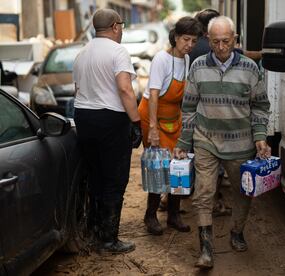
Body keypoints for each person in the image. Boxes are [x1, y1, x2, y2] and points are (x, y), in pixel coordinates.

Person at [174, 16, 271, 269]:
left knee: (242, 193)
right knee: (203, 193)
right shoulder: (197, 66)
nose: (220, 47)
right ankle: (206, 249)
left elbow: (260, 106)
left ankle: (236, 231)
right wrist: (184, 142)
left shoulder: (250, 68)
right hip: (206, 140)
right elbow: (189, 107)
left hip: (241, 144)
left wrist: (260, 137)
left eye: (226, 41)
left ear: (235, 39)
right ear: (208, 40)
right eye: (215, 41)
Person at [73, 8, 141, 254]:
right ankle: (109, 240)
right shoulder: (118, 51)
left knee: (95, 176)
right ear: (114, 26)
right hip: (110, 119)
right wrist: (135, 122)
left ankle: (93, 230)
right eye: (121, 25)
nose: (121, 30)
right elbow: (125, 89)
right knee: (115, 178)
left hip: (84, 117)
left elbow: (77, 89)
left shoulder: (81, 53)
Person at [138, 16, 203, 236]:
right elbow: (154, 95)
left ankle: (174, 214)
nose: (190, 45)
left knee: (180, 164)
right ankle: (150, 215)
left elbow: (182, 98)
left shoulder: (186, 60)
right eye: (186, 39)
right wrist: (154, 129)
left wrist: (186, 124)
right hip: (153, 116)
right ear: (175, 37)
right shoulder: (161, 59)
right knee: (159, 167)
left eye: (194, 41)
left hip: (173, 119)